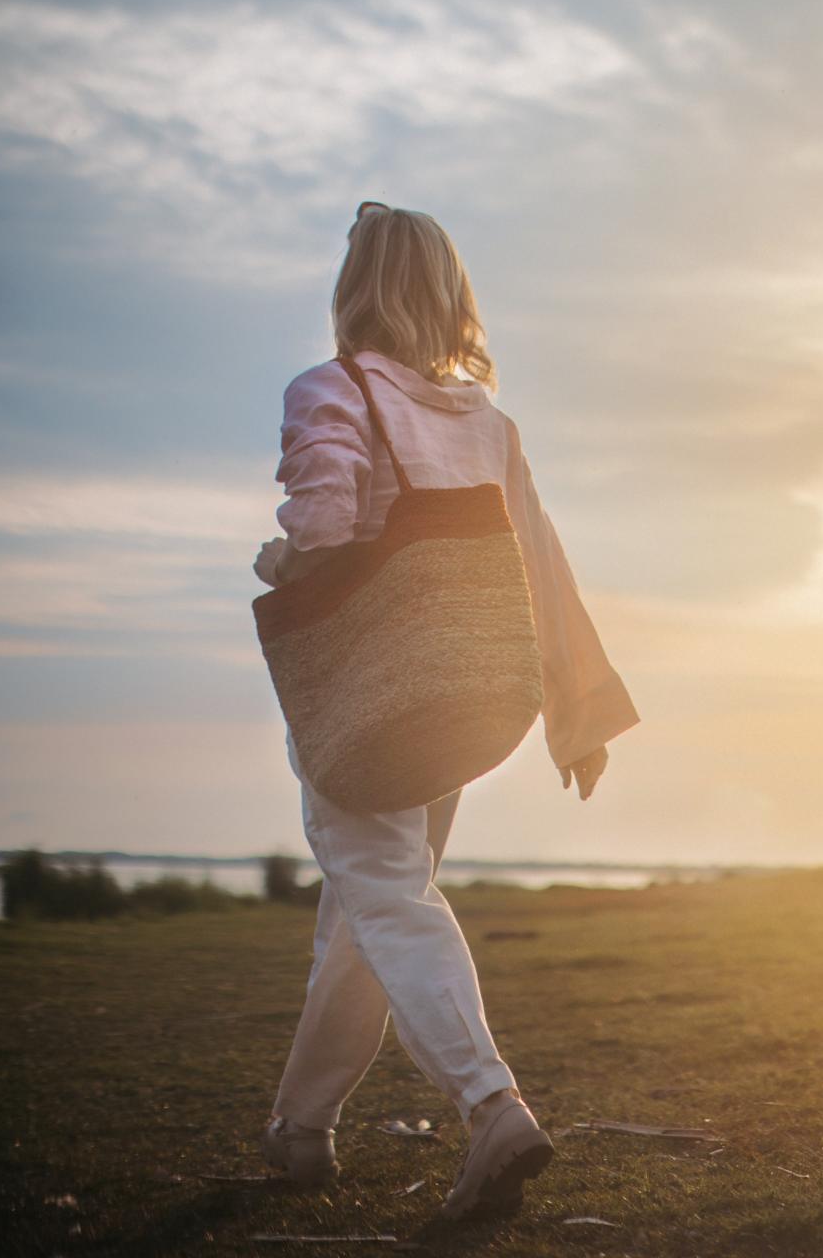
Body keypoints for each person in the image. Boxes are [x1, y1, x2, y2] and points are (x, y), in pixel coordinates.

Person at [250, 201, 639, 1221]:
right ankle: (300, 1129)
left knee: (383, 895)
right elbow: (539, 561)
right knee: (369, 904)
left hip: (367, 697)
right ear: (448, 292)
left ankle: (491, 1101)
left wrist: (284, 559)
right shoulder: (487, 423)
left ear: (356, 286)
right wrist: (579, 712)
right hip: (472, 698)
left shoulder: (329, 390)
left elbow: (326, 518)